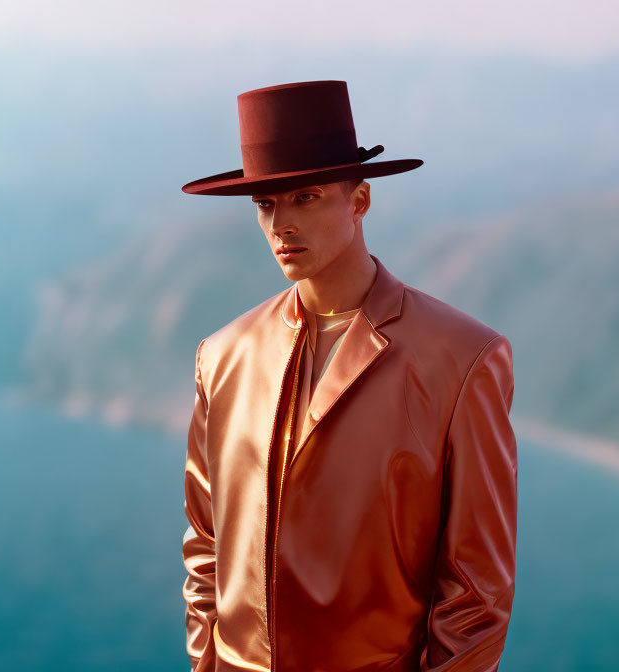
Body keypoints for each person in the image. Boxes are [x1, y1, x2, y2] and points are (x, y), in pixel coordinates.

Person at [180, 80, 518, 672]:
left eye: (304, 198)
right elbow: (206, 552)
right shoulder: (223, 357)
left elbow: (476, 597)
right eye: (266, 205)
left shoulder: (462, 360)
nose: (281, 224)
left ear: (359, 201)